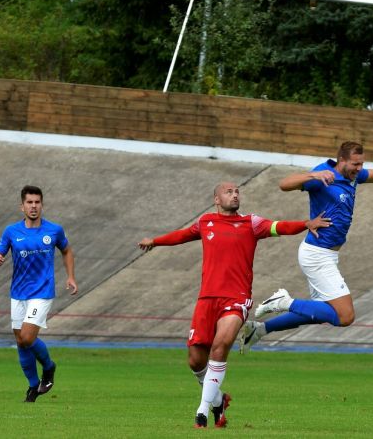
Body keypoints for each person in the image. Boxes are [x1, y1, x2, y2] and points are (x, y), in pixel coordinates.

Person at [138, 182, 331, 428]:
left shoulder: (251, 223)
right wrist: (155, 241)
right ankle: (218, 400)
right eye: (229, 192)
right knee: (196, 361)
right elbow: (182, 235)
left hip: (236, 298)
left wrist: (305, 224)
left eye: (237, 191)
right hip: (207, 298)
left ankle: (202, 411)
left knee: (220, 347)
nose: (235, 195)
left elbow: (278, 226)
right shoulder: (205, 222)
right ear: (216, 199)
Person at [240, 141, 373, 352]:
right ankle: (283, 301)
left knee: (322, 313)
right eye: (355, 164)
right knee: (345, 316)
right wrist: (313, 176)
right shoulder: (323, 175)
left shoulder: (352, 176)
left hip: (327, 255)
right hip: (317, 254)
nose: (359, 168)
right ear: (342, 160)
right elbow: (284, 184)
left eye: (361, 164)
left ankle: (260, 330)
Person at [0, 185, 77, 403]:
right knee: (20, 341)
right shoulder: (11, 231)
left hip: (42, 291)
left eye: (37, 202)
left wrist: (70, 277)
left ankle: (49, 367)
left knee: (28, 337)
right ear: (22, 206)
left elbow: (66, 250)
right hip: (18, 292)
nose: (33, 206)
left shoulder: (54, 230)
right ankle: (32, 386)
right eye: (29, 202)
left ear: (42, 205)